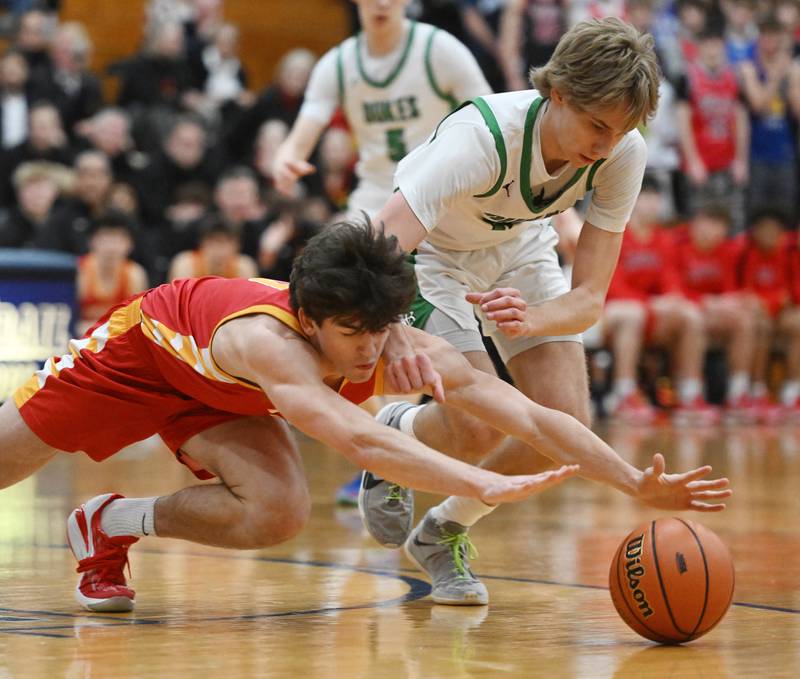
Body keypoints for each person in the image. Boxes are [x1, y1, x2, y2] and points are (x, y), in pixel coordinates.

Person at [0, 221, 729, 614]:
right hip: (143, 356)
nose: (370, 352)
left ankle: (108, 524)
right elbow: (355, 437)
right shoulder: (270, 342)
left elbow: (534, 417)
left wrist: (635, 481)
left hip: (224, 393)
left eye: (382, 331)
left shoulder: (383, 337)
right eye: (353, 336)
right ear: (310, 320)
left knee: (279, 512)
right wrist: (480, 481)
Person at [358, 17, 663, 604]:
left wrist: (533, 319)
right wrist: (391, 332)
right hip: (430, 257)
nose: (604, 145)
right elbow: (376, 245)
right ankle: (396, 434)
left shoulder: (622, 152)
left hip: (521, 250)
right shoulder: (480, 138)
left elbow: (590, 299)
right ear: (558, 93)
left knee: (565, 425)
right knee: (473, 426)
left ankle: (443, 530)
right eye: (597, 125)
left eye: (620, 130)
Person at [273, 0, 492, 502]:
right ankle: (378, 453)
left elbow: (493, 117)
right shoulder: (340, 62)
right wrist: (289, 155)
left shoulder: (439, 49)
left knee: (413, 337)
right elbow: (307, 123)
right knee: (336, 310)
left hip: (442, 206)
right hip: (375, 205)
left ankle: (397, 450)